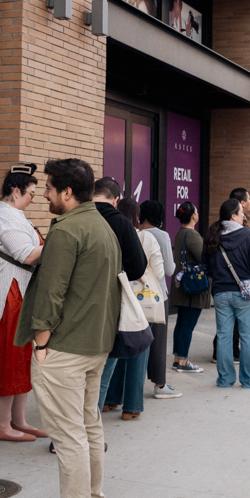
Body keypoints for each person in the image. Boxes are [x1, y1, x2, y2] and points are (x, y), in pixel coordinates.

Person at [17, 158, 122, 498]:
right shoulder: (102, 226)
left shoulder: (66, 230)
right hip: (96, 345)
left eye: (47, 187)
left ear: (66, 192)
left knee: (68, 435)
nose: (43, 193)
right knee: (88, 427)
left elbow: (51, 293)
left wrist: (41, 343)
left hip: (65, 347)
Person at [0, 164, 49, 444]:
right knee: (7, 357)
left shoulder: (15, 216)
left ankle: (18, 420)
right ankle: (2, 424)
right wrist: (59, 241)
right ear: (15, 190)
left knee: (22, 358)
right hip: (7, 295)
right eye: (31, 193)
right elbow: (26, 254)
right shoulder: (4, 219)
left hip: (21, 293)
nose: (34, 198)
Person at [101, 198, 178, 419]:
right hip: (142, 301)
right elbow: (161, 272)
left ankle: (110, 400)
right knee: (139, 349)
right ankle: (132, 406)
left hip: (117, 298)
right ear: (137, 215)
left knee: (117, 349)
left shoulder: (110, 233)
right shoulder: (147, 237)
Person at [92, 178, 150, 417]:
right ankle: (85, 429)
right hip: (109, 303)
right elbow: (138, 267)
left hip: (73, 306)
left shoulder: (73, 218)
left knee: (74, 376)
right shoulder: (120, 223)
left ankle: (65, 433)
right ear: (116, 199)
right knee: (102, 372)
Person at [203, 198, 250, 388]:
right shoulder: (247, 235)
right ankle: (249, 379)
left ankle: (225, 378)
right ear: (233, 216)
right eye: (241, 213)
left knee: (223, 336)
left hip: (220, 292)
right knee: (246, 336)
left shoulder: (213, 234)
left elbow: (206, 265)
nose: (243, 216)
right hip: (243, 292)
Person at [137, 200, 177, 396]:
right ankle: (160, 385)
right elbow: (168, 270)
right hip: (157, 296)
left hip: (135, 295)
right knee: (158, 342)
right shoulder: (162, 236)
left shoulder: (134, 233)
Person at [170, 202, 211, 373]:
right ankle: (183, 361)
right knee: (187, 325)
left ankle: (177, 358)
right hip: (193, 287)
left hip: (182, 284)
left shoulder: (180, 233)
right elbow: (205, 258)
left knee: (181, 323)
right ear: (193, 215)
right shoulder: (192, 235)